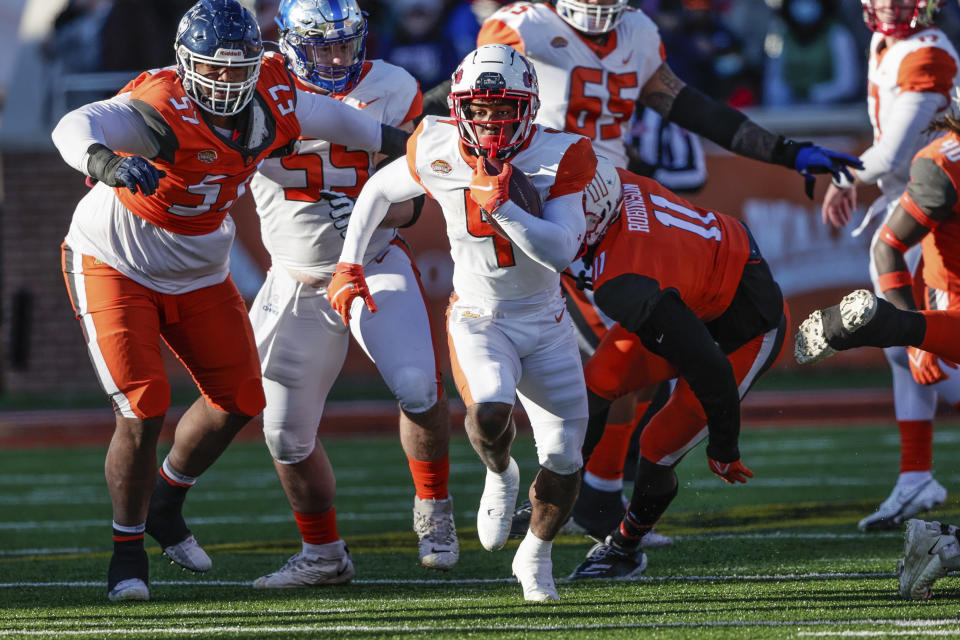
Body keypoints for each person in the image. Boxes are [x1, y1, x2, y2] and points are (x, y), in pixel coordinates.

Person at [51, 0, 408, 602]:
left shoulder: (273, 94)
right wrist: (104, 161)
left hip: (197, 265)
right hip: (114, 258)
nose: (226, 80)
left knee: (243, 398)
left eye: (239, 68)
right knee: (144, 406)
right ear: (186, 65)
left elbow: (344, 124)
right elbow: (75, 125)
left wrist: (412, 145)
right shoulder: (161, 106)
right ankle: (127, 550)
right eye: (213, 69)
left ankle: (166, 501)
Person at [467, 0, 859, 545]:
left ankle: (594, 494)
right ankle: (558, 491)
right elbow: (465, 103)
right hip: (545, 203)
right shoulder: (522, 25)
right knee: (600, 363)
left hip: (612, 202)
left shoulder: (639, 32)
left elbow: (694, 109)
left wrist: (784, 152)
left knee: (626, 361)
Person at [330, 43, 597, 601]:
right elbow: (379, 189)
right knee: (488, 414)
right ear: (459, 107)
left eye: (503, 109)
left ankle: (536, 555)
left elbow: (563, 250)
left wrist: (505, 207)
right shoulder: (437, 142)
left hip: (547, 320)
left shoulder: (564, 152)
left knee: (566, 455)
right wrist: (349, 261)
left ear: (528, 107)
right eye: (478, 109)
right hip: (479, 314)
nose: (489, 120)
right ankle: (501, 474)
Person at [245, 0, 457, 588]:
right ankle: (323, 555)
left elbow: (420, 193)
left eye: (345, 43)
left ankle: (434, 509)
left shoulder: (393, 85)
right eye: (321, 45)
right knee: (284, 435)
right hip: (295, 277)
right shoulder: (257, 84)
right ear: (287, 41)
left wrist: (375, 206)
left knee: (418, 386)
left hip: (374, 262)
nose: (337, 56)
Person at [566, 157, 789, 579]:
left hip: (744, 328)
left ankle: (625, 545)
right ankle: (566, 487)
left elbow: (708, 365)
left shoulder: (623, 280)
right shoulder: (615, 183)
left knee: (657, 446)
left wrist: (724, 447)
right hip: (691, 297)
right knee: (596, 382)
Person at [819, 0, 960, 532]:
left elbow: (893, 155)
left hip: (934, 213)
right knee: (908, 350)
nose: (889, 6)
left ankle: (916, 474)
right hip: (921, 209)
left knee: (919, 349)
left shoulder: (927, 54)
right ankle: (915, 474)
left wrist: (841, 177)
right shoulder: (888, 44)